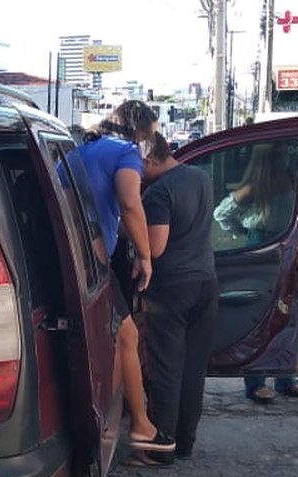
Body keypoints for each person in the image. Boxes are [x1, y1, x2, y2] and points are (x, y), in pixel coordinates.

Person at [78, 100, 174, 454]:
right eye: (150, 136)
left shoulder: (85, 148)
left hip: (79, 254)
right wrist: (146, 256)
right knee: (127, 336)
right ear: (141, 132)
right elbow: (130, 203)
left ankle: (114, 417)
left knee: (118, 338)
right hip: (92, 259)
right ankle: (141, 426)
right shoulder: (124, 153)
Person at [128, 133, 218, 467]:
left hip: (170, 289)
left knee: (164, 368)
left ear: (150, 161)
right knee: (193, 369)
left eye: (138, 166)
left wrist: (130, 233)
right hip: (206, 282)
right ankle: (184, 443)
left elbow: (156, 247)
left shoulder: (159, 193)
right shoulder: (201, 177)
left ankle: (159, 447)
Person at [212, 142, 298, 404]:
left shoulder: (290, 178)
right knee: (261, 313)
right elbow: (221, 213)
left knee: (286, 309)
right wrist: (244, 234)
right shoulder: (255, 187)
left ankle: (284, 374)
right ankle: (256, 379)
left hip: (284, 242)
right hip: (262, 242)